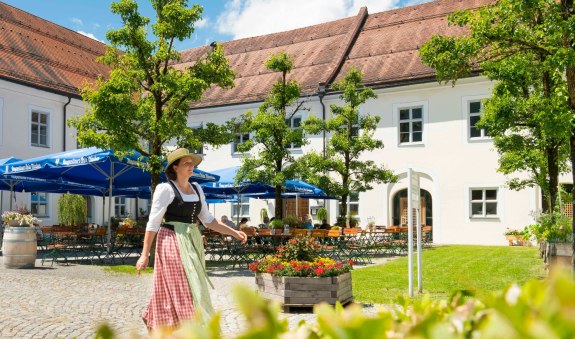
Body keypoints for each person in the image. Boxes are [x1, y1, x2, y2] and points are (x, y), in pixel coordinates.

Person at [136, 148, 247, 331]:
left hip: (192, 240)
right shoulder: (166, 189)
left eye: (192, 163)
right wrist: (144, 254)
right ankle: (188, 327)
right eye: (186, 163)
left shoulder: (197, 188)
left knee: (192, 282)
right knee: (180, 283)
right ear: (175, 167)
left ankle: (172, 324)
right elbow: (153, 223)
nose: (191, 166)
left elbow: (209, 220)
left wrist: (233, 232)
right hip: (170, 240)